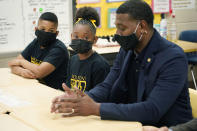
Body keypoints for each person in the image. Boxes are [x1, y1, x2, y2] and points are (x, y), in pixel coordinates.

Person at [51, 0, 193, 127]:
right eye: (116, 27)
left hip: (164, 126)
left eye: (122, 28)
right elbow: (108, 85)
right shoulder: (127, 50)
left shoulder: (172, 57)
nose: (117, 34)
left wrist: (95, 108)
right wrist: (83, 98)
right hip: (134, 124)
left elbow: (153, 109)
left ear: (142, 26)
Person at [8, 12, 69, 90]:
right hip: (36, 87)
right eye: (43, 29)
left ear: (56, 33)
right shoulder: (36, 42)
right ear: (36, 29)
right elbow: (13, 65)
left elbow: (39, 72)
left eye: (51, 31)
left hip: (55, 92)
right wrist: (21, 72)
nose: (46, 33)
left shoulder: (59, 49)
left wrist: (21, 62)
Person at [66, 7, 110, 91]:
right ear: (71, 36)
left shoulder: (100, 65)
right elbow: (68, 88)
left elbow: (100, 96)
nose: (80, 40)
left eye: (86, 37)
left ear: (95, 40)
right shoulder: (72, 60)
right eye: (76, 36)